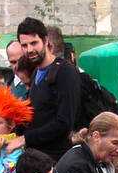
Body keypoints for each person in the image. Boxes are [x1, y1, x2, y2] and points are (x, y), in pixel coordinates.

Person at [18, 16, 80, 160]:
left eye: (34, 43)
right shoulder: (35, 74)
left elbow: (64, 123)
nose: (30, 50)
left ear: (45, 41)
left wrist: (25, 139)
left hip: (57, 159)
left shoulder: (65, 72)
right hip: (38, 159)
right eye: (24, 45)